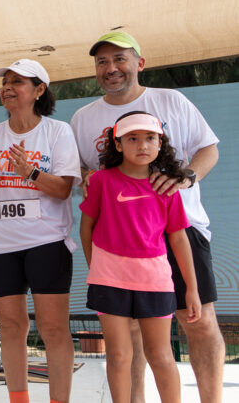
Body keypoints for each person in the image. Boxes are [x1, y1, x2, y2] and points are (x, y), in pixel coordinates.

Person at [70, 32, 224, 403]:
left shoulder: (171, 100)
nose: (111, 68)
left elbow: (209, 150)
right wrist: (85, 177)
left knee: (199, 321)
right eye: (102, 62)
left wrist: (186, 177)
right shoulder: (83, 117)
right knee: (131, 336)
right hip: (121, 246)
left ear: (139, 63)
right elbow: (78, 171)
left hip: (180, 230)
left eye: (119, 59)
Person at [0, 59, 79, 403]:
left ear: (39, 90)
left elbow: (63, 190)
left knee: (53, 328)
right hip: (0, 245)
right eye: (5, 82)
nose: (7, 88)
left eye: (17, 82)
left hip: (46, 242)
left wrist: (30, 172)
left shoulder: (57, 132)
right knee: (11, 327)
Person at [80, 112, 201, 403]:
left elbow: (178, 237)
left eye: (150, 138)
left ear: (160, 143)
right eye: (132, 138)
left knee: (161, 355)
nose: (142, 145)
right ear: (118, 144)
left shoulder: (167, 187)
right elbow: (86, 227)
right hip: (108, 280)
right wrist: (96, 269)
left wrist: (193, 289)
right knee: (119, 355)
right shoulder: (100, 181)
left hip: (155, 281)